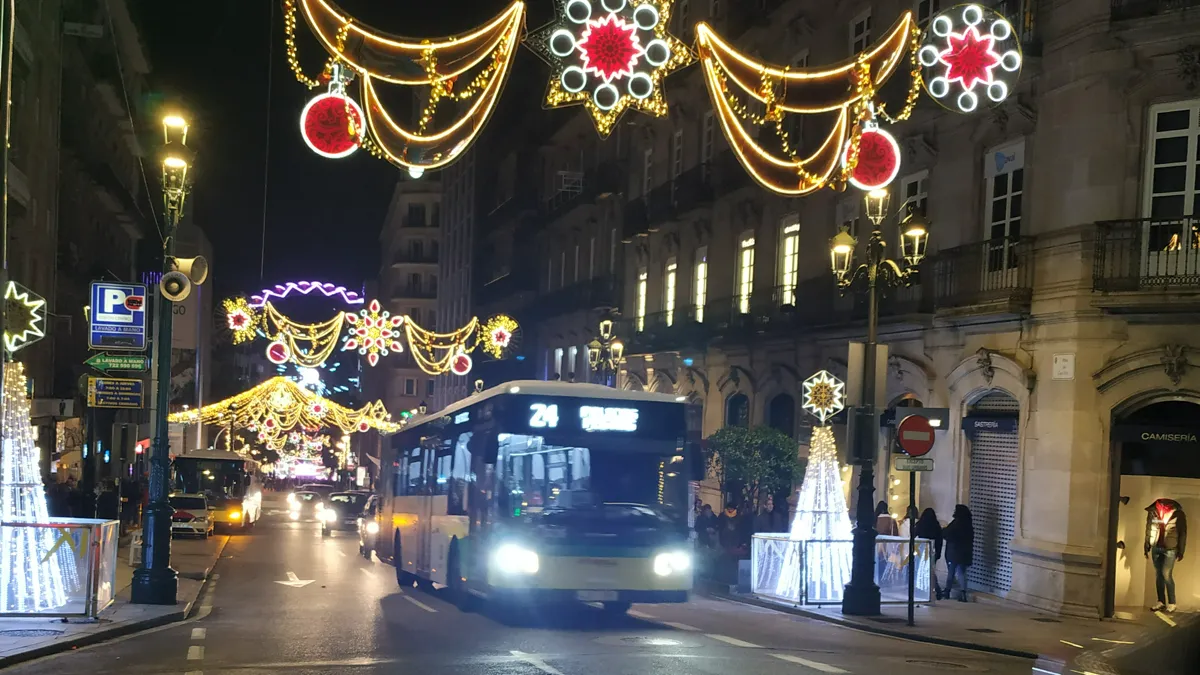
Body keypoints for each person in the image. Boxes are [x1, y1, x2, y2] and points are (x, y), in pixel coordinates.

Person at [942, 504, 974, 602]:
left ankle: (947, 591)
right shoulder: (968, 524)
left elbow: (947, 533)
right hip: (964, 553)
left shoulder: (956, 523)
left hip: (954, 551)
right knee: (962, 573)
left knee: (951, 572)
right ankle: (963, 593)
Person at [915, 508, 944, 599]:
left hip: (921, 549)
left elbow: (914, 533)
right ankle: (936, 590)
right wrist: (938, 553)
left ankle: (923, 589)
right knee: (930, 571)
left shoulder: (920, 524)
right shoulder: (936, 526)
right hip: (932, 550)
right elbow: (940, 541)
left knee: (921, 571)